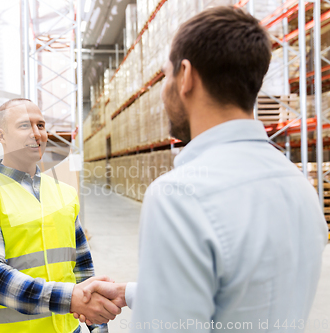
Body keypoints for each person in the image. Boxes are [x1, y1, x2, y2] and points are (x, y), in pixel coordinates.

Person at [74, 6, 328, 332]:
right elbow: (246, 292)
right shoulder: (301, 187)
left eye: (166, 76)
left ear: (186, 76)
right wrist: (131, 293)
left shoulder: (178, 196)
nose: (163, 92)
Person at [0, 98, 121, 333]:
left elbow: (82, 267)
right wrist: (70, 299)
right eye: (24, 126)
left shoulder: (64, 193)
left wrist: (98, 325)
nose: (36, 134)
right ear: (1, 136)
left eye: (40, 125)